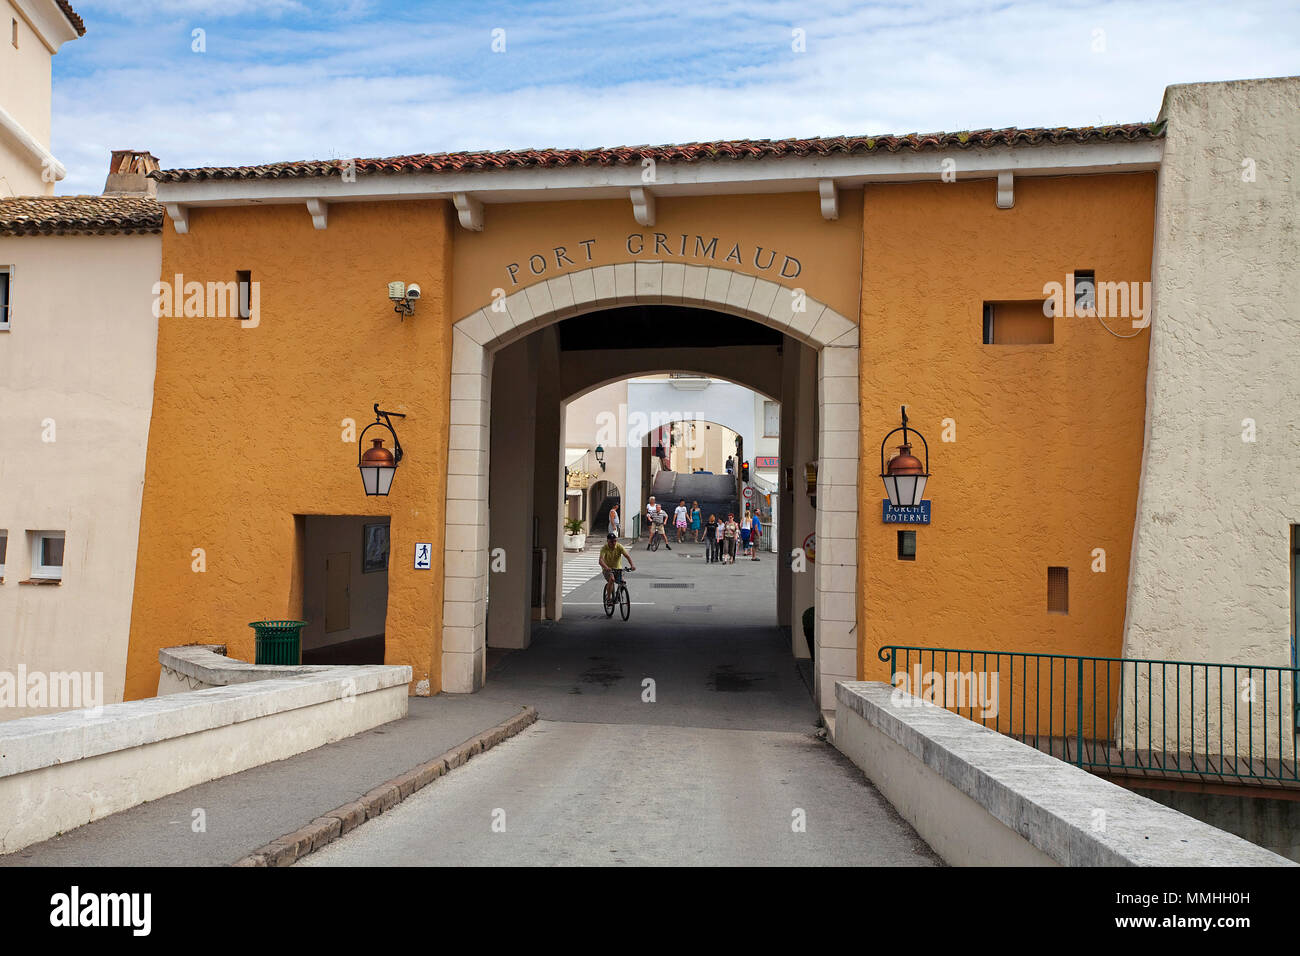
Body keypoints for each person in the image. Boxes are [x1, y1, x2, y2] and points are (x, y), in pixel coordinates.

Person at [599, 531, 636, 604]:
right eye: (611, 541)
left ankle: (619, 595)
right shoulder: (604, 548)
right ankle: (609, 598)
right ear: (608, 541)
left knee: (622, 582)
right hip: (608, 569)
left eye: (615, 541)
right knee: (612, 579)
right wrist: (606, 567)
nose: (613, 543)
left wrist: (632, 565)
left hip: (618, 568)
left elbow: (627, 556)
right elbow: (600, 561)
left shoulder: (619, 546)